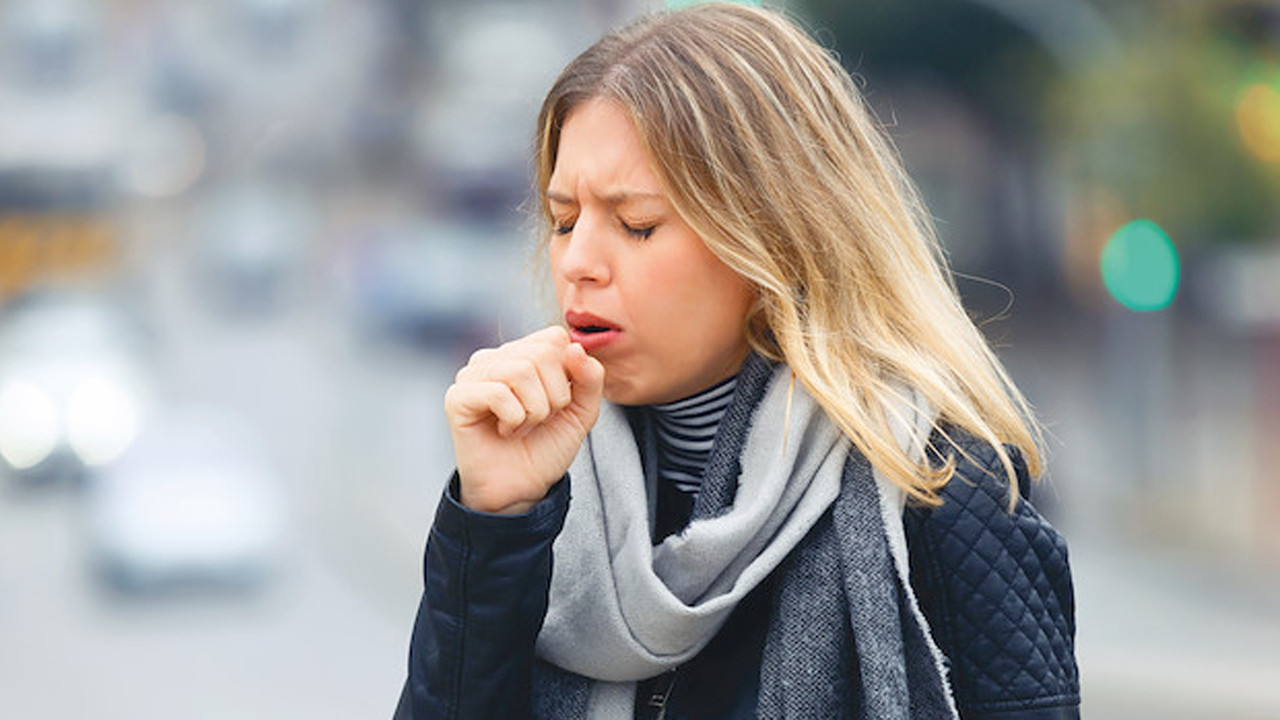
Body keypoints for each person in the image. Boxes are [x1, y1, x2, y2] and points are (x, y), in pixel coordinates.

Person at [394, 3, 1078, 718]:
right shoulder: (541, 488)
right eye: (565, 220)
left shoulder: (944, 489)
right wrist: (494, 521)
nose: (579, 263)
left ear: (775, 236)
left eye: (637, 225)